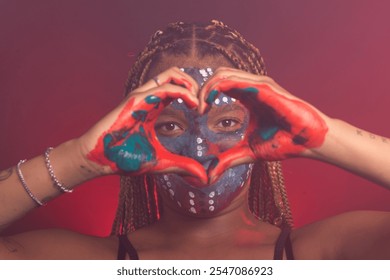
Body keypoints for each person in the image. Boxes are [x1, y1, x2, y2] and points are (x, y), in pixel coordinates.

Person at [0, 20, 389, 260]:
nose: (201, 147)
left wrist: (324, 135)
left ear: (267, 128)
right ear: (137, 134)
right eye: (170, 126)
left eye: (226, 122)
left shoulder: (328, 255)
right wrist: (79, 158)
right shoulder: (88, 264)